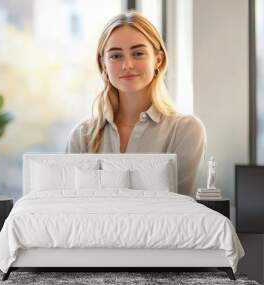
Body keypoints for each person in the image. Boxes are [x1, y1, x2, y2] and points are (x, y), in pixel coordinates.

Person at [65, 11, 206, 198]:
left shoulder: (186, 131)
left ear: (158, 59)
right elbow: (70, 209)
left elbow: (183, 209)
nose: (127, 65)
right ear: (103, 64)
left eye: (138, 53)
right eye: (116, 56)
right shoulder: (82, 136)